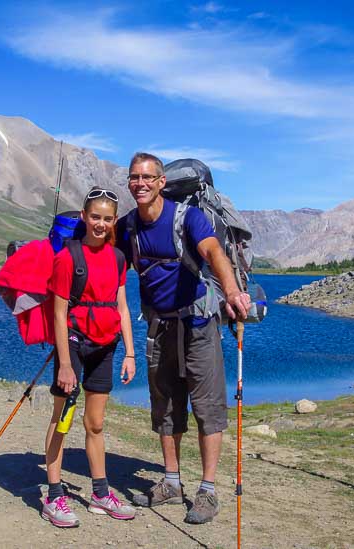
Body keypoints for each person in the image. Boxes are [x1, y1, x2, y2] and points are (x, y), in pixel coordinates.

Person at [116, 152, 250, 525]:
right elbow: (106, 261)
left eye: (147, 178)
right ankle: (172, 483)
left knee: (207, 407)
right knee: (165, 407)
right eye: (134, 178)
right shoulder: (128, 226)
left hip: (198, 325)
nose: (139, 184)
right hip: (159, 326)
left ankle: (207, 491)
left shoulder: (186, 217)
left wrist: (233, 290)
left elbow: (212, 251)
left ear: (161, 182)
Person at [42, 187, 138, 528]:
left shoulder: (117, 258)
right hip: (75, 344)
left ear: (114, 222)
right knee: (62, 418)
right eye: (94, 217)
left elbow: (122, 307)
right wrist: (65, 364)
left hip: (105, 346)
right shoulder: (68, 257)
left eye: (107, 219)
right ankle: (53, 495)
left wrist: (130, 351)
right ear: (84, 217)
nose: (100, 224)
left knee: (95, 423)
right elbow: (58, 313)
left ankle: (100, 494)